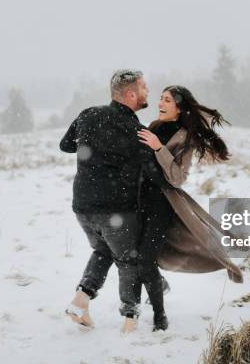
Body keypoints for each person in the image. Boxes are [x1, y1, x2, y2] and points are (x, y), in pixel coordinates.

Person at [60, 69, 170, 333]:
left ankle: (81, 300)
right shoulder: (138, 132)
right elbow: (158, 176)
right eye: (144, 88)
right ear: (131, 94)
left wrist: (94, 146)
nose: (148, 93)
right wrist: (158, 150)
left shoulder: (88, 115)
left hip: (83, 206)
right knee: (127, 261)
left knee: (103, 251)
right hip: (117, 211)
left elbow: (66, 145)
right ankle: (130, 321)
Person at [134, 85, 243, 331]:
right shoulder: (153, 127)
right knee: (135, 256)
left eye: (167, 100)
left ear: (179, 108)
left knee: (146, 257)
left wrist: (158, 148)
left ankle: (159, 317)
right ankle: (151, 289)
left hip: (162, 205)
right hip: (138, 201)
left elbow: (176, 177)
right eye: (160, 99)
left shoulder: (184, 138)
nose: (160, 103)